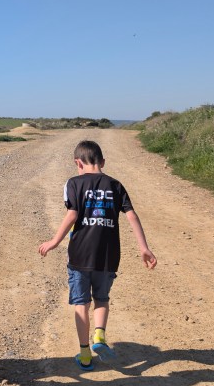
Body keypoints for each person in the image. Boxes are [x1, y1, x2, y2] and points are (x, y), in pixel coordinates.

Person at [38, 140, 157, 369]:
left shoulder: (73, 183)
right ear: (103, 162)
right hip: (108, 256)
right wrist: (144, 247)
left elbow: (72, 214)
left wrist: (54, 241)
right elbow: (132, 216)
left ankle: (85, 355)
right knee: (101, 299)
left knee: (81, 304)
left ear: (78, 163)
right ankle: (99, 336)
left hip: (80, 255)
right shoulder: (116, 185)